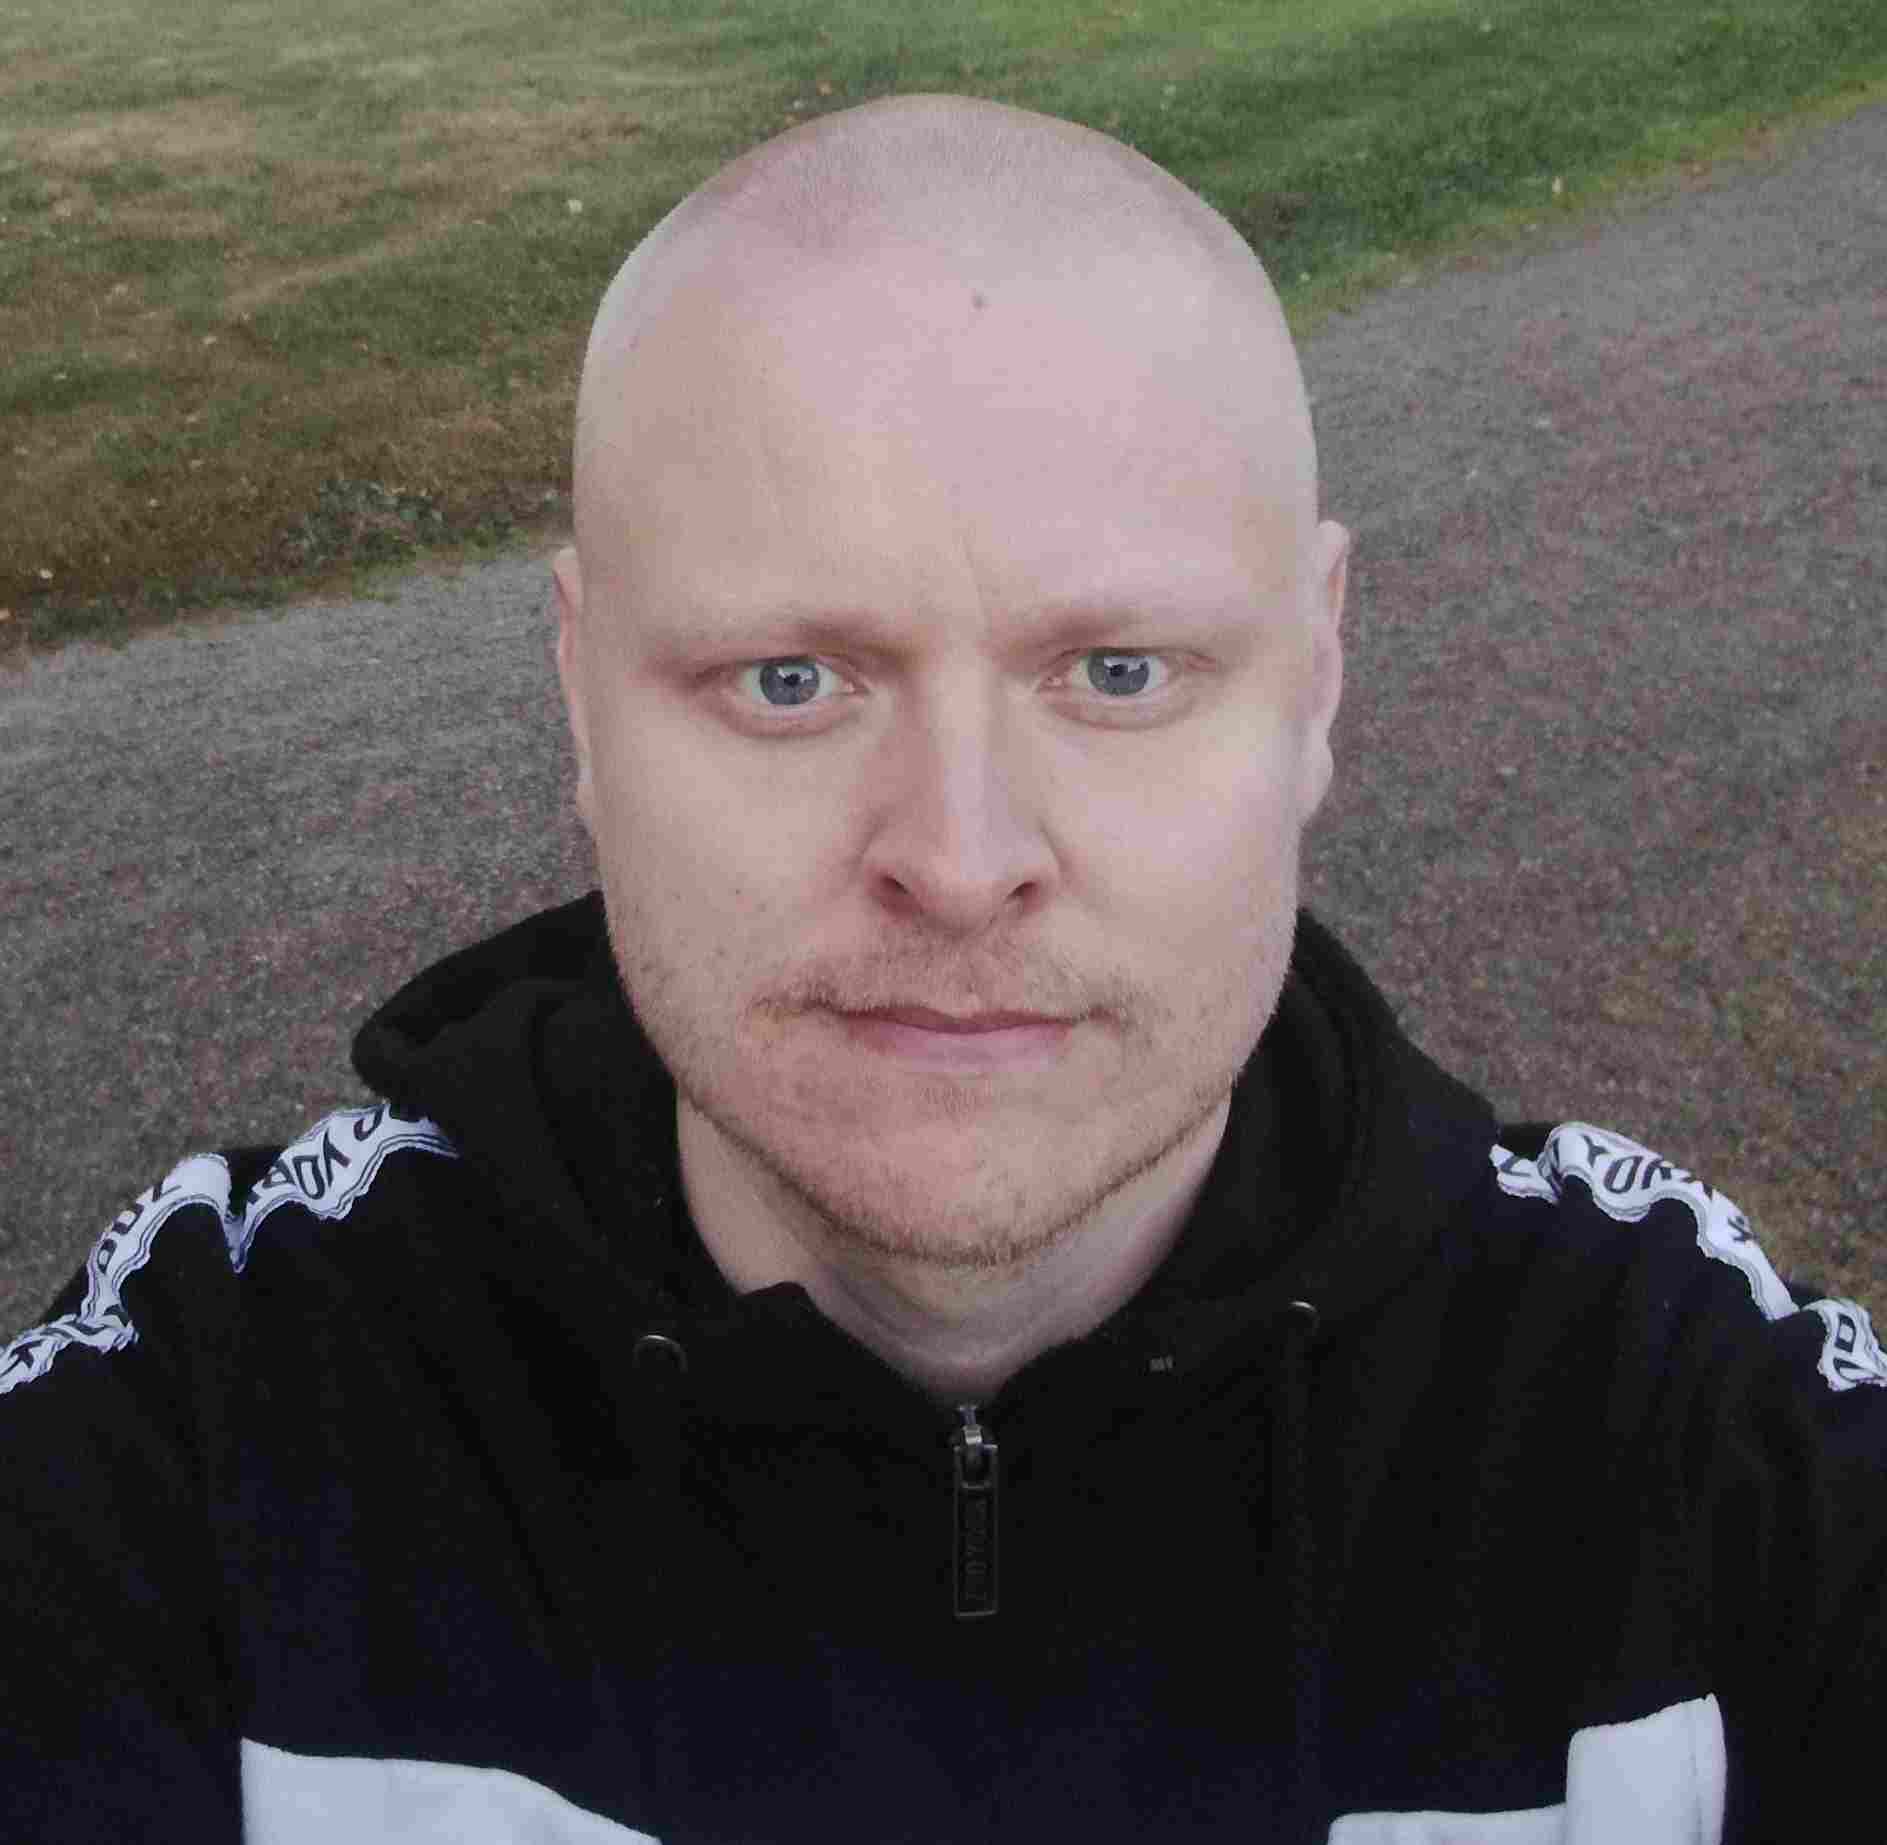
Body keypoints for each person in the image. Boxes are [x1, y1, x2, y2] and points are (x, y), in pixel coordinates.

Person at [2, 91, 1880, 1844]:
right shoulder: (203, 1440)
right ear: (580, 696)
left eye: (1118, 674)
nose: (963, 864)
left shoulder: (1704, 1454)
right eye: (790, 681)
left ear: (1318, 676)